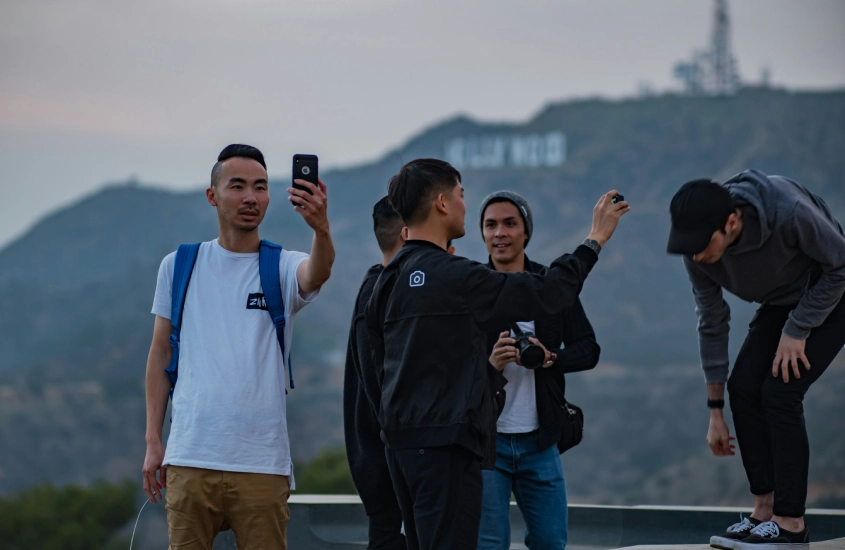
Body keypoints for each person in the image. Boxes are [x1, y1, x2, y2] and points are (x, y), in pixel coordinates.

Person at [366, 158, 628, 550]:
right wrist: (595, 239)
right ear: (441, 203)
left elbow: (375, 372)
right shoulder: (458, 276)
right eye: (461, 195)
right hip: (449, 450)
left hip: (400, 449)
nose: (463, 205)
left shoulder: (386, 280)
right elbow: (548, 292)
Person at [142, 144, 335, 549]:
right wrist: (153, 441)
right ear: (213, 195)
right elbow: (160, 354)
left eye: (261, 187)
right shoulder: (178, 265)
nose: (251, 197)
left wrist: (321, 228)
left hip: (261, 464)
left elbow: (317, 273)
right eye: (238, 186)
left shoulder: (281, 265)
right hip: (190, 459)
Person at [666, 170, 845, 550]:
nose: (696, 255)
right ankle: (765, 511)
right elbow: (712, 322)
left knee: (780, 392)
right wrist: (715, 410)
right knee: (744, 387)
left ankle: (791, 524)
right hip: (781, 299)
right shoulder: (695, 250)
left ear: (731, 222)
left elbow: (841, 265)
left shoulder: (787, 210)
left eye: (701, 244)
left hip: (832, 292)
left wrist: (798, 330)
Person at [476, 191, 600, 550]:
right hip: (488, 442)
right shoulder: (471, 287)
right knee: (489, 545)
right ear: (482, 234)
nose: (500, 233)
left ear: (526, 232)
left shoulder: (551, 287)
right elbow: (450, 365)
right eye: (491, 224)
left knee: (550, 542)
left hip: (541, 440)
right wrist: (492, 364)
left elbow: (589, 349)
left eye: (510, 223)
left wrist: (551, 358)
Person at [344, 196, 408, 549]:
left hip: (387, 466)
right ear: (406, 233)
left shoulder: (377, 289)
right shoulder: (380, 299)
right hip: (390, 470)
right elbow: (380, 391)